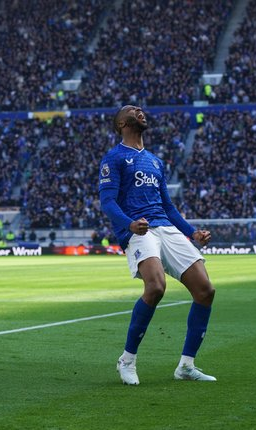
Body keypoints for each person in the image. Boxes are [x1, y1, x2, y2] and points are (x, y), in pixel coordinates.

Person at [99, 105, 215, 385]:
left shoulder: (155, 161)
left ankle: (186, 366)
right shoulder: (114, 158)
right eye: (133, 110)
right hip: (140, 229)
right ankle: (127, 360)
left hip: (166, 227)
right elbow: (108, 202)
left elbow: (168, 206)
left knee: (205, 291)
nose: (140, 111)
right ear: (122, 124)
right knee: (155, 287)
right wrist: (129, 224)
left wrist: (192, 233)